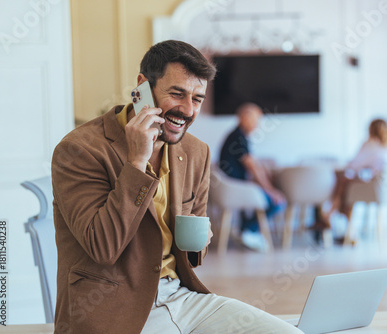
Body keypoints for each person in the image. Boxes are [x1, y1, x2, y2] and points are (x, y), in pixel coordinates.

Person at [51, 40, 301, 334]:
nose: (187, 110)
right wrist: (136, 162)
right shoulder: (79, 149)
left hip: (182, 298)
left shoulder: (196, 152)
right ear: (142, 87)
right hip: (112, 309)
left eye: (197, 98)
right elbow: (102, 248)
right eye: (177, 94)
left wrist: (201, 241)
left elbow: (190, 251)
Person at [311, 118, 387, 243]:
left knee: (343, 181)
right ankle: (346, 230)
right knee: (346, 184)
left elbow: (354, 165)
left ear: (371, 130)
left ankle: (331, 217)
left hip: (376, 188)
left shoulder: (371, 143)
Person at [219, 103, 286, 252]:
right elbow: (252, 166)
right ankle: (249, 231)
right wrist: (270, 190)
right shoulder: (238, 137)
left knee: (262, 198)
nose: (258, 125)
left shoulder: (237, 135)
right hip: (235, 187)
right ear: (244, 118)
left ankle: (245, 230)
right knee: (277, 202)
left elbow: (252, 164)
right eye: (256, 120)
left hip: (234, 186)